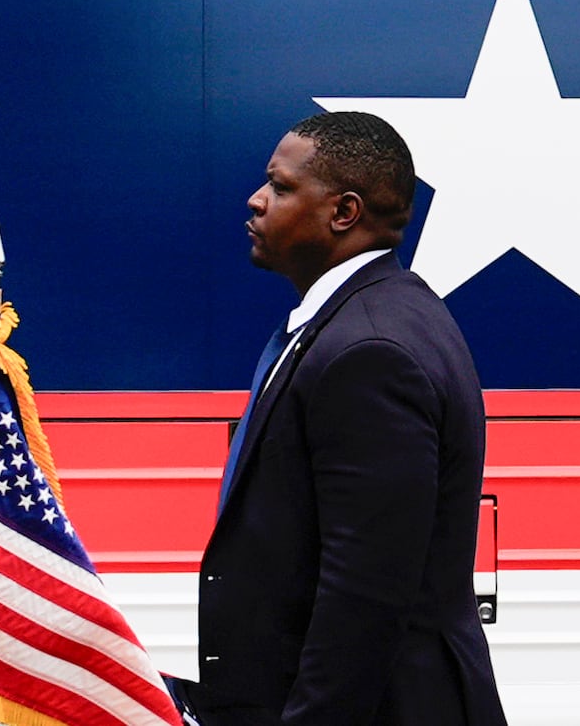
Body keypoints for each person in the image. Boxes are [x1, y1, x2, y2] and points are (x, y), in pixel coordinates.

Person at [173, 112, 508, 724]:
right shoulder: (363, 320)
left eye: (280, 186)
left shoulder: (368, 351)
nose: (255, 200)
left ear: (344, 212)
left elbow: (365, 599)